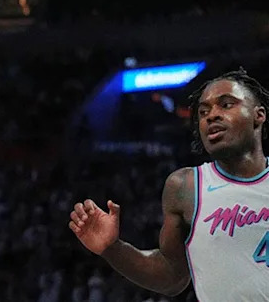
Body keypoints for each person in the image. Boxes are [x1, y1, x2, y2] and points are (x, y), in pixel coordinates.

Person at [68, 69, 269, 300]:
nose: (211, 115)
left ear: (258, 115)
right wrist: (112, 248)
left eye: (226, 105)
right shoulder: (185, 187)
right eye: (203, 111)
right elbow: (172, 278)